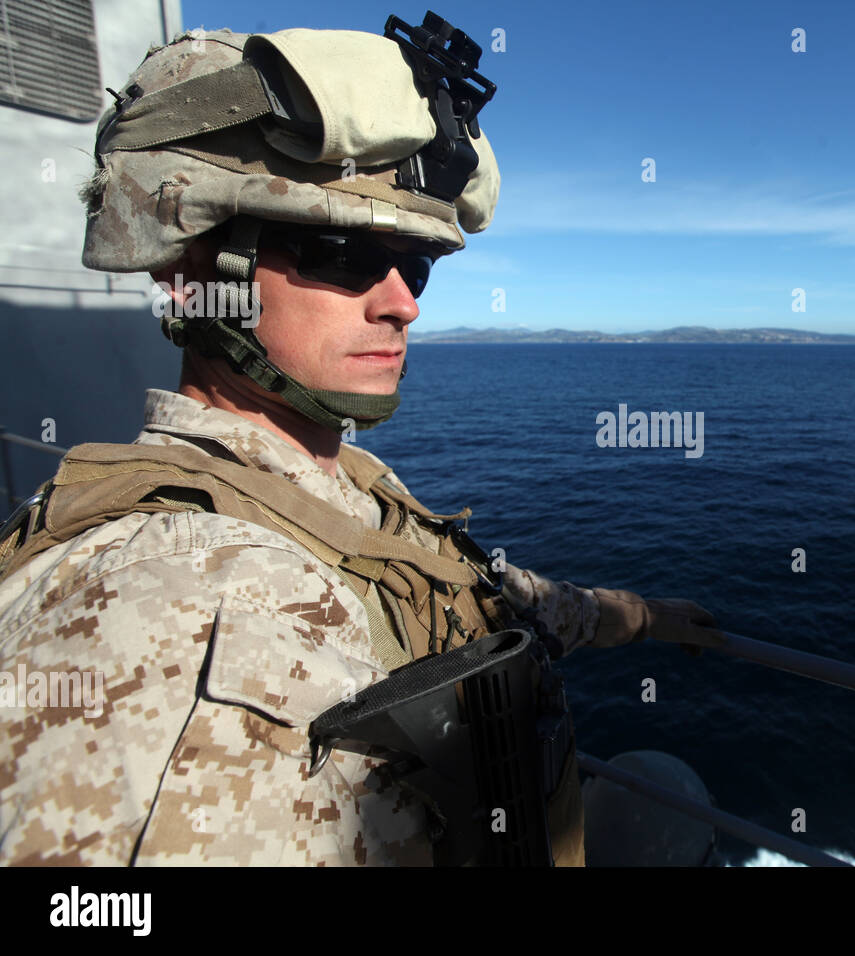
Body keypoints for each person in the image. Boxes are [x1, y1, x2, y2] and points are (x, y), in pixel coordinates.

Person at [0, 20, 724, 866]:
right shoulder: (163, 610)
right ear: (192, 271)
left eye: (412, 264)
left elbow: (470, 595)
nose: (402, 304)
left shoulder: (341, 485)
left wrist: (637, 617)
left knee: (662, 787)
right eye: (341, 253)